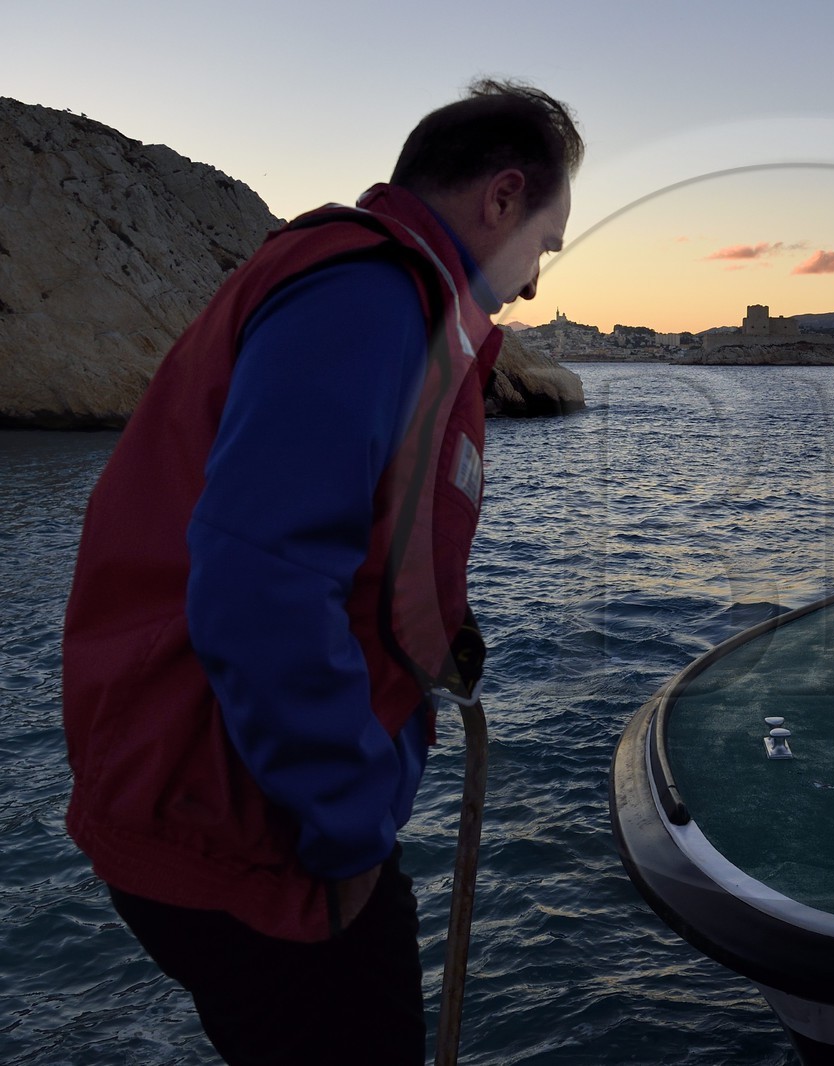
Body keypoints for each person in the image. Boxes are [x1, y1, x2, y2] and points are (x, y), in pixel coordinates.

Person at [60, 79, 581, 1065]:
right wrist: (348, 829)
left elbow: (358, 544)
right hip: (247, 830)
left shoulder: (375, 298)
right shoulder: (368, 298)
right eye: (543, 248)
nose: (531, 287)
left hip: (227, 803)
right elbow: (259, 585)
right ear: (502, 198)